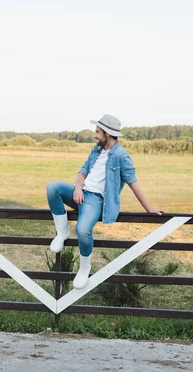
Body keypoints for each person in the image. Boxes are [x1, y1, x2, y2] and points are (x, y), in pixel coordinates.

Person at [46, 114, 163, 289]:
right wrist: (77, 188)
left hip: (96, 199)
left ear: (107, 134)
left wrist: (149, 208)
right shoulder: (96, 150)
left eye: (97, 132)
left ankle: (85, 267)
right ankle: (62, 234)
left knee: (83, 229)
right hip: (81, 192)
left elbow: (133, 184)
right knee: (53, 188)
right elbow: (82, 173)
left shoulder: (122, 156)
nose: (95, 135)